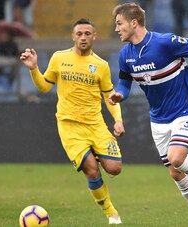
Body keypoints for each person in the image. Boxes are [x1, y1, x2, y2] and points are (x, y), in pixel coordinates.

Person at [110, 3, 188, 227]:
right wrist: (119, 95)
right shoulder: (125, 55)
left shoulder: (164, 42)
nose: (116, 29)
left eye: (119, 23)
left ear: (134, 23)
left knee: (176, 158)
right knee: (175, 173)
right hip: (158, 117)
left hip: (184, 108)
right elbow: (124, 84)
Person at [20, 18, 125, 225]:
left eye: (87, 33)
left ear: (94, 36)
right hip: (69, 125)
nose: (83, 37)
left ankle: (94, 152)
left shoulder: (101, 66)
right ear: (73, 36)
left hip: (95, 124)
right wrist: (34, 69)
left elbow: (109, 96)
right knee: (92, 170)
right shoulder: (59, 58)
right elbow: (44, 86)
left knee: (114, 168)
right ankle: (111, 213)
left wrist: (118, 120)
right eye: (79, 34)